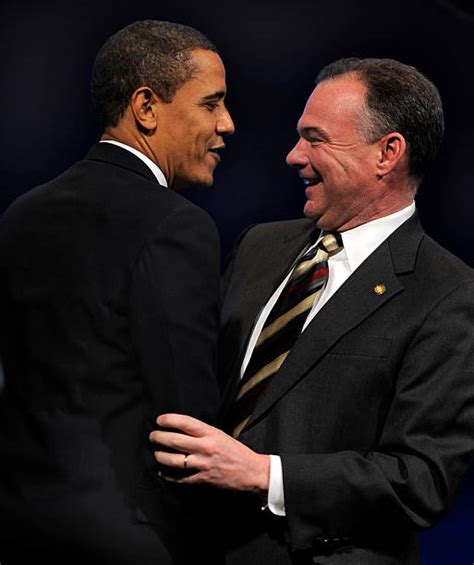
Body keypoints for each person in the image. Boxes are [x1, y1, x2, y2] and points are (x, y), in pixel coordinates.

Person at [151, 58, 474, 564]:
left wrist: (264, 475)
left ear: (387, 153)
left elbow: (422, 480)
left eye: (315, 139)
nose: (294, 155)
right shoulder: (259, 246)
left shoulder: (448, 294)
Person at [0, 20, 234, 564]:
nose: (227, 123)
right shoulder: (175, 225)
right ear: (146, 107)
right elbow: (187, 421)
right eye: (211, 103)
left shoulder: (21, 213)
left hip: (19, 527)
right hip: (134, 537)